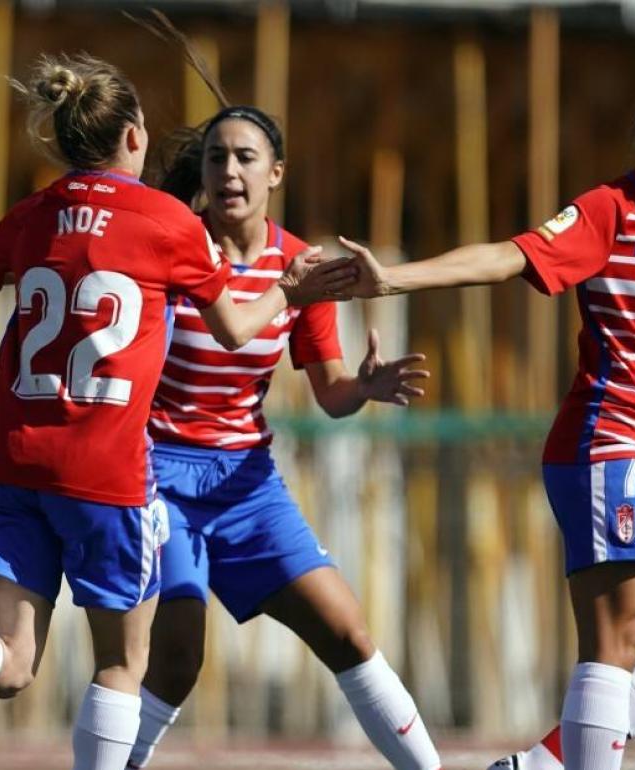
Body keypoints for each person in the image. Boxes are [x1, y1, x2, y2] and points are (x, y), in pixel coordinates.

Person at [0, 53, 352, 770]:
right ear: (133, 136)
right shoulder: (166, 221)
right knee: (123, 664)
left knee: (9, 665)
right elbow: (237, 328)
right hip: (103, 474)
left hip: (11, 461)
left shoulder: (37, 213)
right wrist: (290, 286)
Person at [334, 60, 635, 770]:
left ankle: (533, 769)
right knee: (613, 648)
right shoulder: (610, 210)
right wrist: (395, 279)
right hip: (606, 447)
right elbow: (509, 256)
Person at [124, 104, 440, 770]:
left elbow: (329, 394)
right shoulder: (172, 246)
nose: (229, 171)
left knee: (348, 632)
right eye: (217, 158)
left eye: (245, 158)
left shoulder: (303, 264)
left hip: (246, 483)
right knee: (178, 655)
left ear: (276, 172)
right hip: (158, 477)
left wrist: (364, 386)